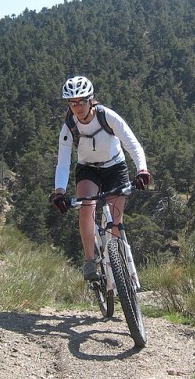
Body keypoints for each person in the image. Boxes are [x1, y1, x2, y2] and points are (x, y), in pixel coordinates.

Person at [50, 75, 151, 281]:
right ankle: (90, 261)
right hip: (88, 169)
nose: (78, 107)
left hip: (115, 166)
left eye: (82, 101)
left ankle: (119, 265)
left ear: (91, 99)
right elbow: (63, 163)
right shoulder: (69, 128)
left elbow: (132, 144)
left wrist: (142, 170)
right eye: (73, 103)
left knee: (116, 220)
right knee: (86, 209)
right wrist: (59, 192)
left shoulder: (108, 116)